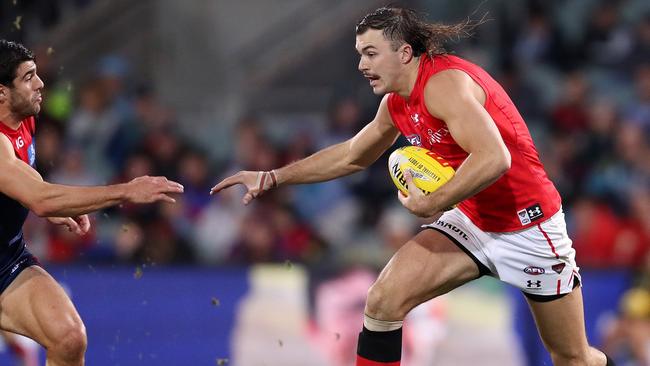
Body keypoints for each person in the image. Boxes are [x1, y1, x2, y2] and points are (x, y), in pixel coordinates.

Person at [211, 6, 615, 366]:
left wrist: (433, 202)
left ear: (404, 53)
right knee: (383, 301)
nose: (361, 66)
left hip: (528, 226)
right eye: (359, 55)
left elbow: (496, 158)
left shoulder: (445, 85)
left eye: (370, 54)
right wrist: (272, 177)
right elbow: (353, 154)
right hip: (473, 221)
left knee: (572, 357)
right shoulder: (396, 104)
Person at [0, 39, 183, 366]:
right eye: (29, 78)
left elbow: (27, 182)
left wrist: (58, 211)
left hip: (6, 258)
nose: (41, 84)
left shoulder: (23, 117)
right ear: (2, 93)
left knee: (69, 339)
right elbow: (40, 199)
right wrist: (126, 191)